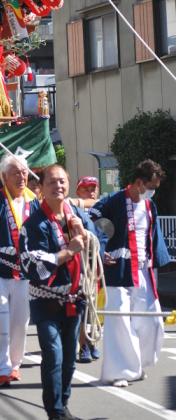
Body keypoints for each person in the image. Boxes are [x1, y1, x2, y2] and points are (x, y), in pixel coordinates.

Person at [19, 164, 103, 420]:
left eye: (62, 181)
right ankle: (55, 412)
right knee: (53, 357)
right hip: (48, 301)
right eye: (52, 182)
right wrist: (68, 251)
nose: (58, 186)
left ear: (68, 184)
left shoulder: (77, 213)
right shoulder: (34, 223)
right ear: (41, 188)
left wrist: (86, 233)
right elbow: (31, 262)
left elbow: (100, 240)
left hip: (75, 298)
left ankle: (63, 406)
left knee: (70, 360)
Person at [89, 159, 170, 388]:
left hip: (144, 272)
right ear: (138, 182)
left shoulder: (149, 206)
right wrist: (99, 249)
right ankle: (120, 372)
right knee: (119, 322)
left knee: (152, 322)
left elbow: (153, 238)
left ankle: (138, 364)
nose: (152, 192)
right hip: (118, 270)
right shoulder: (113, 201)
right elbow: (90, 220)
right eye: (151, 187)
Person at [0, 153, 40, 387]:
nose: (22, 176)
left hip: (25, 273)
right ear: (4, 176)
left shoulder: (34, 202)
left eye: (25, 172)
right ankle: (1, 368)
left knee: (20, 322)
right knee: (0, 322)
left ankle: (15, 365)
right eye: (16, 172)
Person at [74, 176, 100, 363]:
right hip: (78, 262)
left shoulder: (102, 208)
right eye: (86, 189)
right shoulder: (72, 208)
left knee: (93, 306)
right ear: (78, 192)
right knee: (81, 305)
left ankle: (92, 342)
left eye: (93, 188)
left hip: (95, 263)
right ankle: (83, 346)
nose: (90, 192)